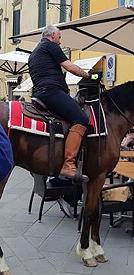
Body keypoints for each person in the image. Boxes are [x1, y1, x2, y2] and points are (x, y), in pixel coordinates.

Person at [28, 25, 91, 180]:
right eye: (59, 37)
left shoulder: (34, 53)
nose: (60, 41)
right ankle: (68, 165)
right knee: (82, 119)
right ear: (52, 35)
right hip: (51, 92)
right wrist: (87, 75)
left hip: (39, 93)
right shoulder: (50, 46)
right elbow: (69, 67)